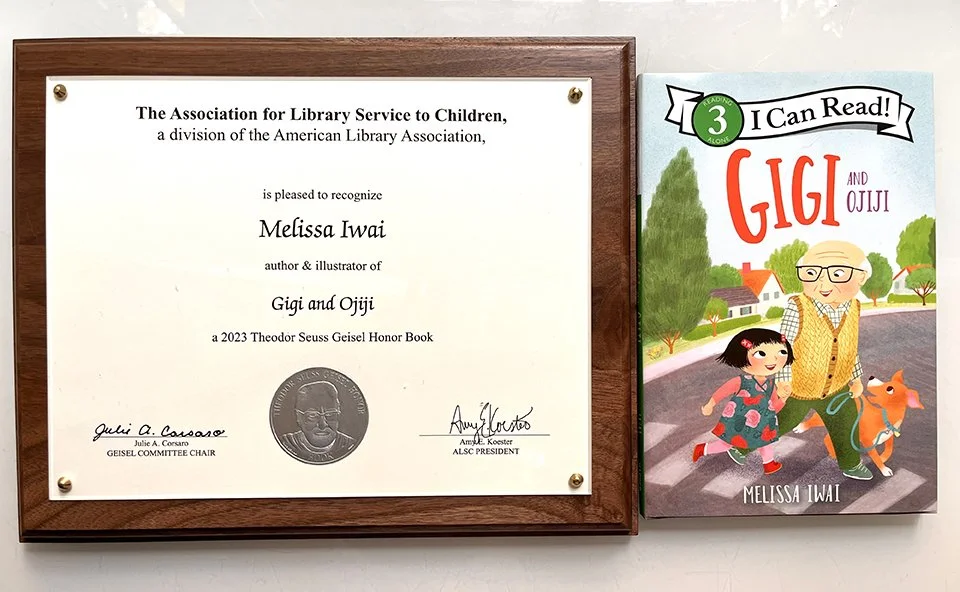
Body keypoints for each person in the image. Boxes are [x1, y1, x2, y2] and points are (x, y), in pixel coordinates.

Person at [764, 240, 874, 480]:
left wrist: (856, 378)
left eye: (838, 274)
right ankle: (740, 445)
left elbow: (850, 347)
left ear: (861, 277)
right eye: (812, 273)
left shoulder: (854, 307)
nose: (823, 285)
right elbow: (784, 345)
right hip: (800, 388)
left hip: (837, 388)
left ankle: (851, 464)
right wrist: (783, 379)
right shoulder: (798, 307)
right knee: (779, 423)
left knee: (846, 422)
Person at [693, 328, 794, 475]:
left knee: (765, 443)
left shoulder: (771, 385)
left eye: (781, 353)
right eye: (761, 354)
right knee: (726, 444)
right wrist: (711, 404)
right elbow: (724, 390)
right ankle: (703, 449)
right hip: (738, 421)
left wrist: (783, 398)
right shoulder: (742, 381)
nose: (772, 361)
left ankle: (769, 463)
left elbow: (772, 407)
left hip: (762, 425)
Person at [280, 380, 357, 462]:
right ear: (298, 417)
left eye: (330, 414)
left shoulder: (349, 444)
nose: (322, 425)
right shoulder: (288, 443)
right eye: (312, 415)